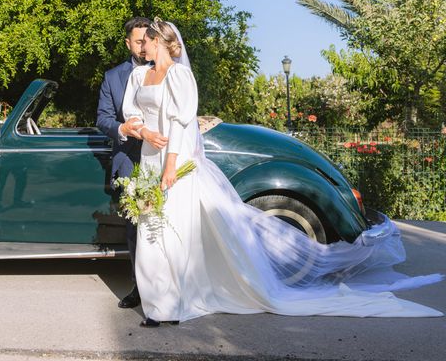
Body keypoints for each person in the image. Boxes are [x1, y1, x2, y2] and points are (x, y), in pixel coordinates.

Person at [121, 17, 444, 327]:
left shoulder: (179, 76)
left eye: (145, 41)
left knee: (175, 232)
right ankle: (155, 304)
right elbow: (131, 113)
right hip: (149, 158)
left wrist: (172, 164)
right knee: (150, 231)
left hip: (175, 162)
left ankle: (173, 303)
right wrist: (143, 133)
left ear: (158, 41)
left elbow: (181, 121)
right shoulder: (138, 76)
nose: (141, 47)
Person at [96, 16, 151, 309]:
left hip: (163, 157)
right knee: (135, 227)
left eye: (148, 40)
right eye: (139, 41)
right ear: (128, 42)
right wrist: (121, 128)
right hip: (129, 159)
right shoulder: (112, 77)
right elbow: (102, 118)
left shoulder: (168, 71)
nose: (144, 46)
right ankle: (139, 288)